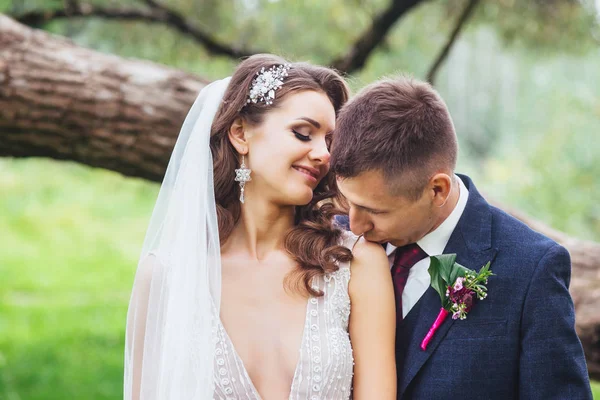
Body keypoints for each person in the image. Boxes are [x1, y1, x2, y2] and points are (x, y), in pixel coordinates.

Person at [123, 54, 397, 400]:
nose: (323, 155)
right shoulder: (166, 275)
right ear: (240, 134)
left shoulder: (355, 263)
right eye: (303, 133)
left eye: (330, 142)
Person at [330, 76, 592, 399]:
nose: (354, 225)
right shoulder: (332, 244)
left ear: (437, 190)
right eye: (348, 201)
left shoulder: (531, 271)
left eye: (375, 211)